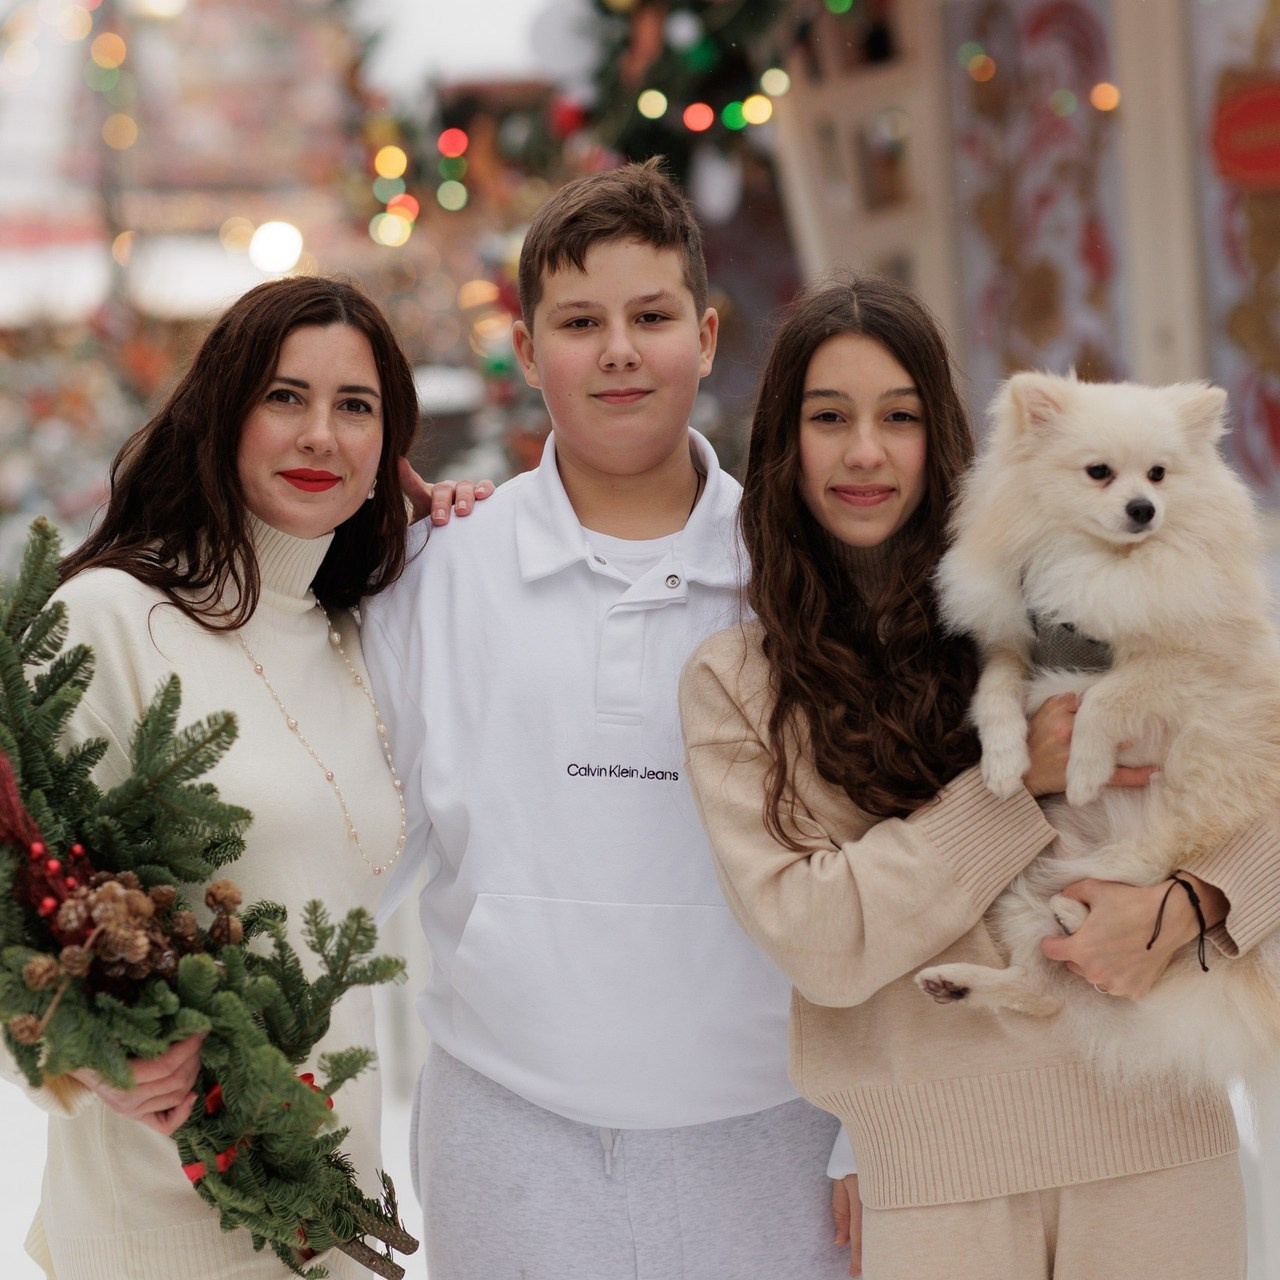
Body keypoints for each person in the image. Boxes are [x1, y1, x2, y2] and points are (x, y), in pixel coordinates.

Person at [678, 271, 1280, 1280]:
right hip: (938, 1184)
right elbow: (819, 940)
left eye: (899, 417)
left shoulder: (1067, 598)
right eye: (829, 417)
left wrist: (1186, 904)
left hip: (1157, 1139)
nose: (865, 451)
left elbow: (1250, 772)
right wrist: (1018, 786)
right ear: (782, 445)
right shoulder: (737, 683)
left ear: (943, 437)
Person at [361, 159, 856, 1279]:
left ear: (707, 333)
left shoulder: (798, 575)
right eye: (579, 322)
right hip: (510, 1124)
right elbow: (354, 835)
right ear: (529, 351)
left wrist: (868, 1125)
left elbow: (882, 861)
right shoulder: (444, 570)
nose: (619, 350)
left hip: (770, 1126)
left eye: (650, 315)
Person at [0, 275, 480, 1278]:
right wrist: (96, 1049)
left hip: (328, 1211)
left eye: (355, 407)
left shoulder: (352, 636)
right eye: (284, 396)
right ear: (222, 412)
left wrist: (454, 538)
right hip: (161, 1222)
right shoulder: (106, 619)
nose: (320, 434)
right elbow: (16, 892)